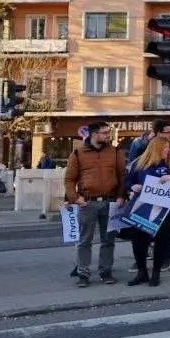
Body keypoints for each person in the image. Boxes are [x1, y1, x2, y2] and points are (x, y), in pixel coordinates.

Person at [63, 121, 127, 287]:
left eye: (108, 132)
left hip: (110, 201)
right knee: (84, 240)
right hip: (87, 202)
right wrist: (74, 198)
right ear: (94, 134)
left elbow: (122, 176)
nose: (108, 136)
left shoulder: (114, 152)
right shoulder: (78, 153)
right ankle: (83, 273)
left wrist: (121, 196)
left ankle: (106, 271)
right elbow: (69, 179)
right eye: (104, 133)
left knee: (108, 240)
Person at [124, 136, 170, 287]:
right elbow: (128, 181)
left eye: (168, 148)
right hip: (142, 208)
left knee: (160, 241)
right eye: (165, 148)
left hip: (163, 210)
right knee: (139, 241)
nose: (167, 150)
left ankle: (156, 273)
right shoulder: (139, 163)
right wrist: (132, 187)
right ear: (156, 148)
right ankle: (142, 272)